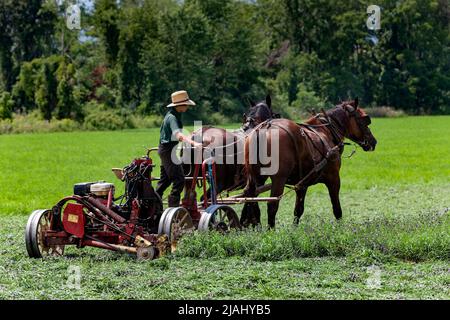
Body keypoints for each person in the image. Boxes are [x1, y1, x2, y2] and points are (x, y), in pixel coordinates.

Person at [155, 90, 202, 207]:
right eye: (186, 104)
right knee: (179, 180)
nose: (187, 106)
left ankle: (154, 205)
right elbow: (178, 135)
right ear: (179, 105)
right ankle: (173, 208)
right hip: (168, 150)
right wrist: (193, 143)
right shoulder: (172, 118)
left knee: (165, 181)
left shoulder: (174, 115)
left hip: (166, 150)